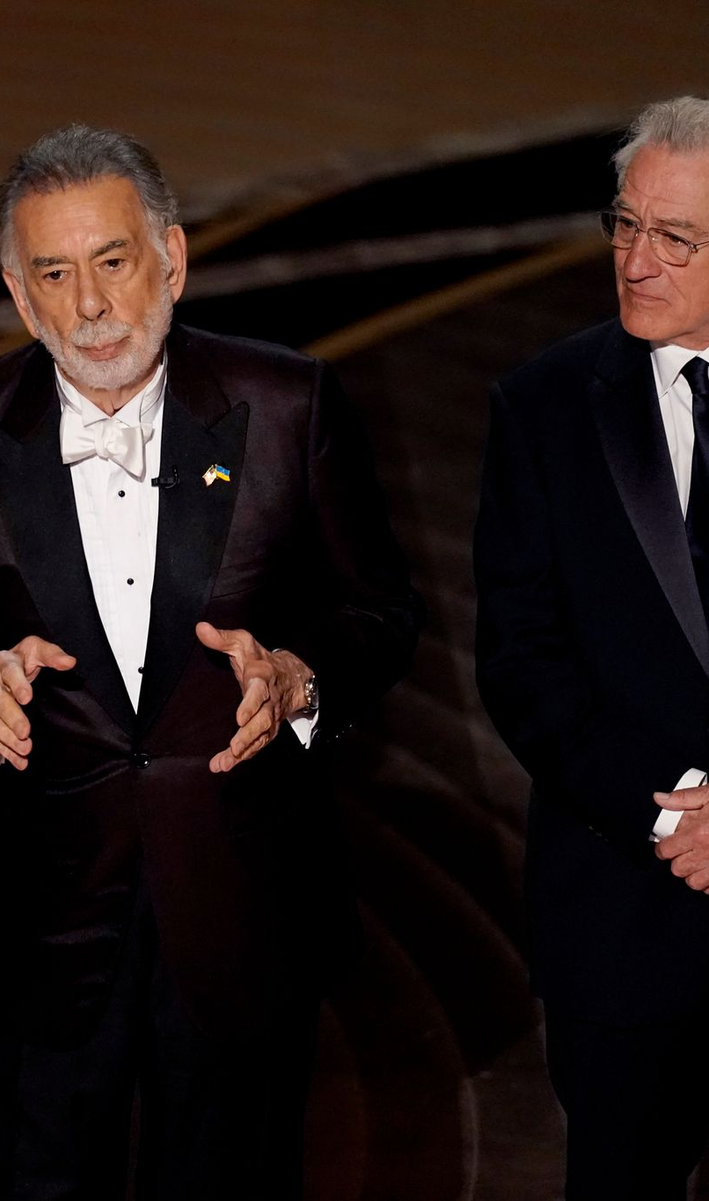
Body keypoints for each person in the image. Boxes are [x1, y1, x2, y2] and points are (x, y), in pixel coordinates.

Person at [0, 124, 419, 1200]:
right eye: (54, 275)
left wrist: (300, 676)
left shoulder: (289, 404)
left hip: (241, 919)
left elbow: (379, 608)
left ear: (173, 257)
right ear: (19, 297)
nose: (92, 305)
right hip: (32, 934)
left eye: (113, 262)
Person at [474, 96, 709, 1201]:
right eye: (624, 224)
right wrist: (669, 813)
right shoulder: (544, 406)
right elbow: (521, 658)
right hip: (622, 917)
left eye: (676, 238)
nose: (636, 260)